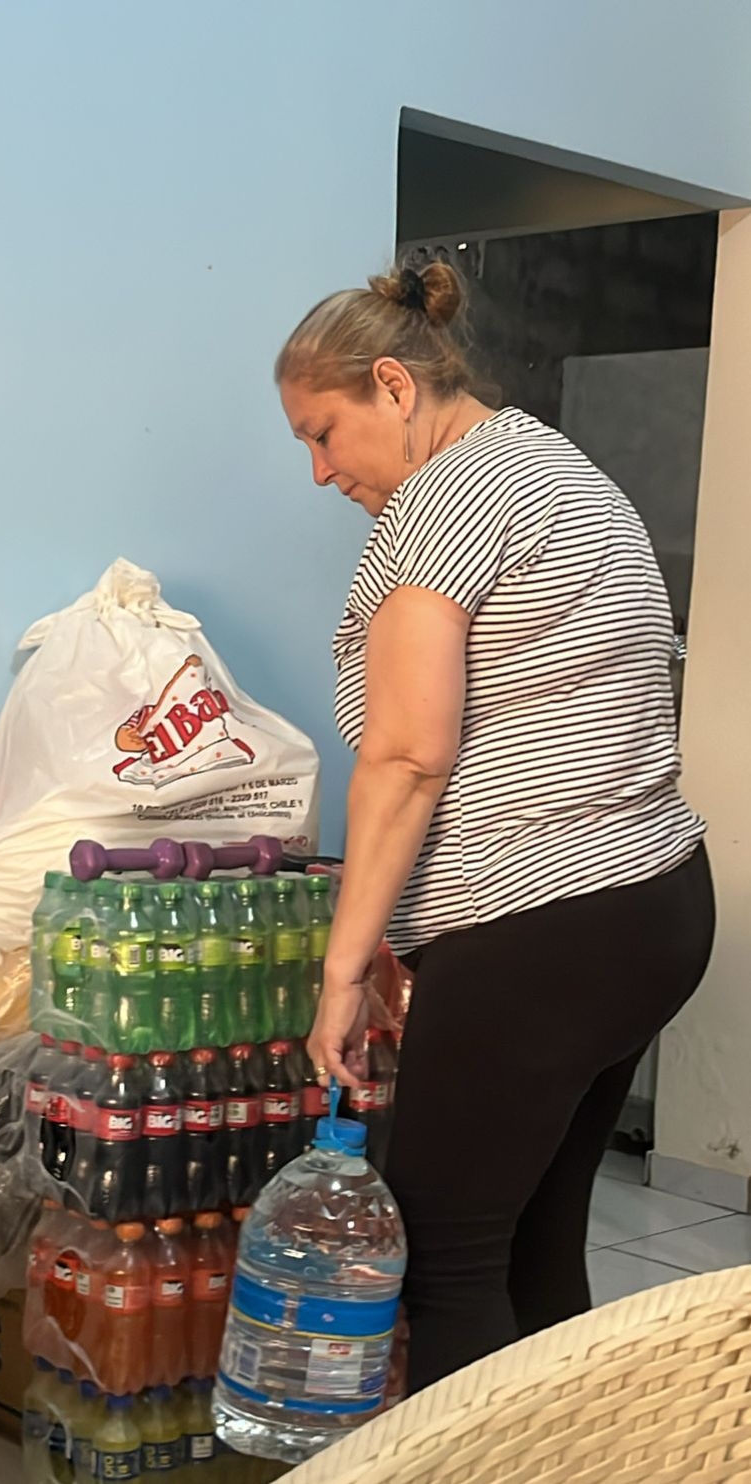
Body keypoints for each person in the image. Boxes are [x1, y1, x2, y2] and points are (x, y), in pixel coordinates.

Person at [277, 258, 716, 1393]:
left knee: (443, 1255)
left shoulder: (446, 498)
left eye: (323, 434)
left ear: (393, 386)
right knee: (530, 1238)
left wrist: (343, 966)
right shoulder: (548, 463)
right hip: (649, 899)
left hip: (544, 922)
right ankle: (568, 1447)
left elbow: (406, 756)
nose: (321, 471)